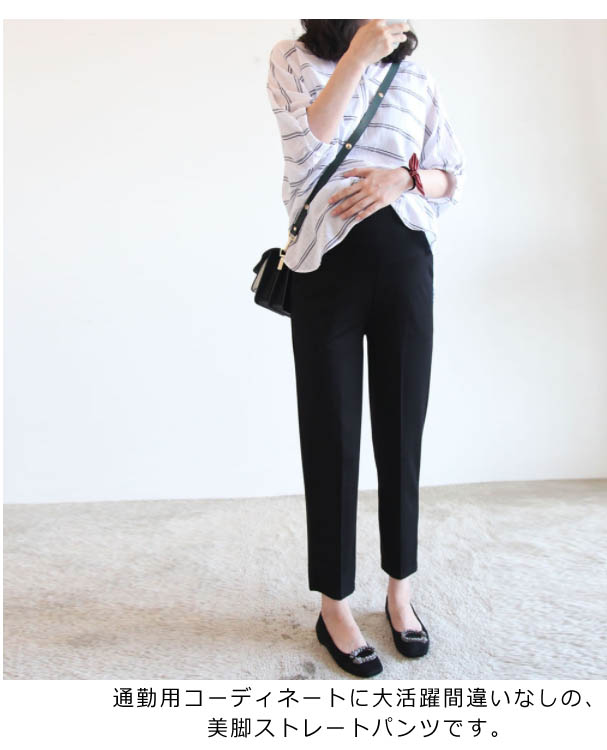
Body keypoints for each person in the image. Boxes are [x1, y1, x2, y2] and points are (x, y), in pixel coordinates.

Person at [265, 19, 465, 677]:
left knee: (403, 433)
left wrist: (402, 180)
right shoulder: (292, 60)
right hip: (325, 267)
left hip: (405, 263)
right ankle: (334, 605)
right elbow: (310, 144)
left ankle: (400, 591)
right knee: (331, 434)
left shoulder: (415, 75)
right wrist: (356, 56)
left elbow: (450, 175)